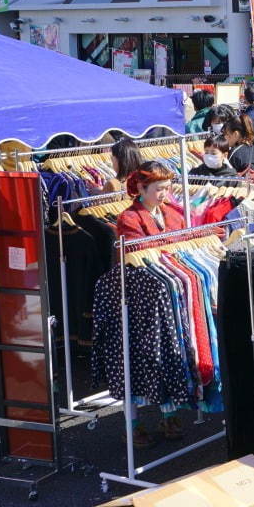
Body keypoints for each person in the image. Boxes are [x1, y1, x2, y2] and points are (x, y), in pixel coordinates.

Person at [114, 161, 190, 445]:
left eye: (167, 188)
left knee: (166, 356)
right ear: (142, 188)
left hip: (167, 292)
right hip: (136, 299)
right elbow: (140, 259)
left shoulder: (174, 213)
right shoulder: (129, 219)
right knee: (136, 361)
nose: (165, 193)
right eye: (159, 188)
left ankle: (169, 414)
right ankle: (132, 424)